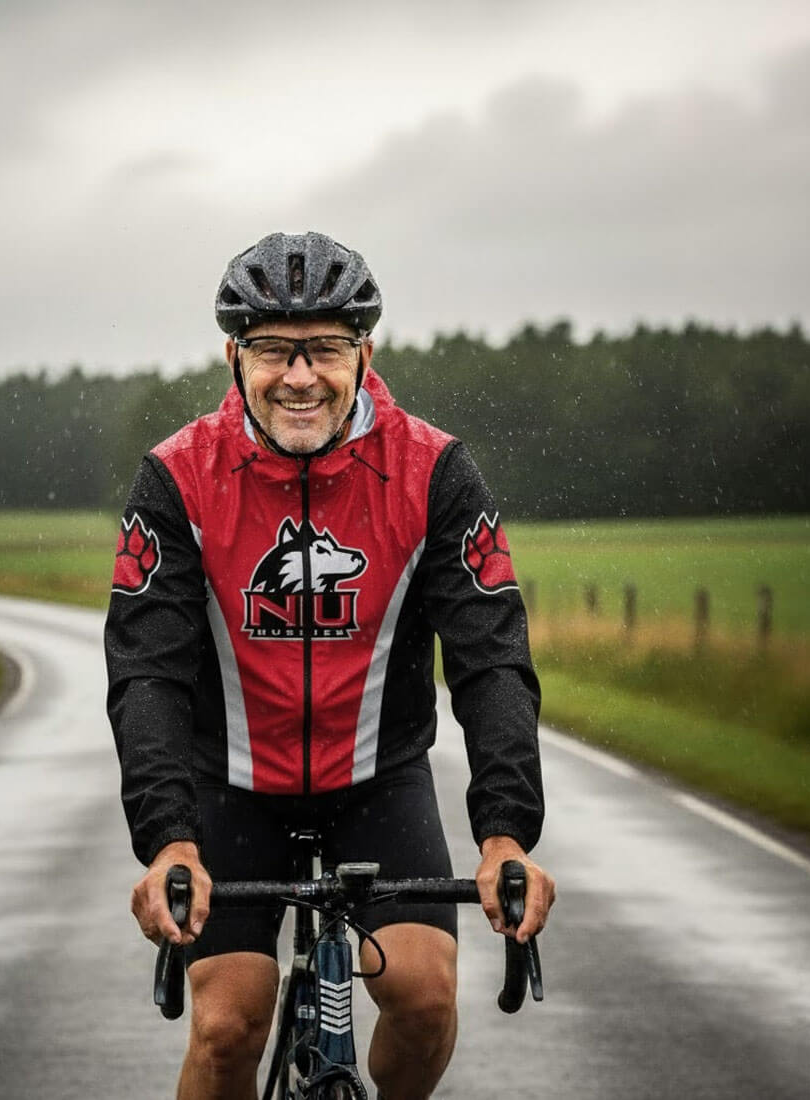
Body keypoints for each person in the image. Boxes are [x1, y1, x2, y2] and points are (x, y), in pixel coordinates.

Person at [105, 231, 556, 1100]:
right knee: (229, 1025)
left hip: (376, 780)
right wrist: (167, 840)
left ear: (366, 352)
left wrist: (505, 834)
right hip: (228, 783)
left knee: (424, 1002)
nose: (300, 375)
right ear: (234, 355)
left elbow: (492, 659)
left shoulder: (436, 473)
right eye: (274, 349)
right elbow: (148, 675)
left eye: (327, 347)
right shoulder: (176, 478)